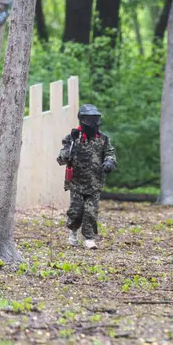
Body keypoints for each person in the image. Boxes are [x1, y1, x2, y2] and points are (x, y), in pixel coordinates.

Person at [57, 104, 117, 250]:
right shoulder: (72, 138)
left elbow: (110, 153)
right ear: (82, 120)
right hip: (76, 182)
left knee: (91, 212)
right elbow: (61, 159)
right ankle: (73, 232)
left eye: (95, 120)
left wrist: (109, 162)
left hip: (95, 182)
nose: (93, 124)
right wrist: (70, 148)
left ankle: (89, 238)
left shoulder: (103, 139)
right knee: (76, 211)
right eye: (89, 120)